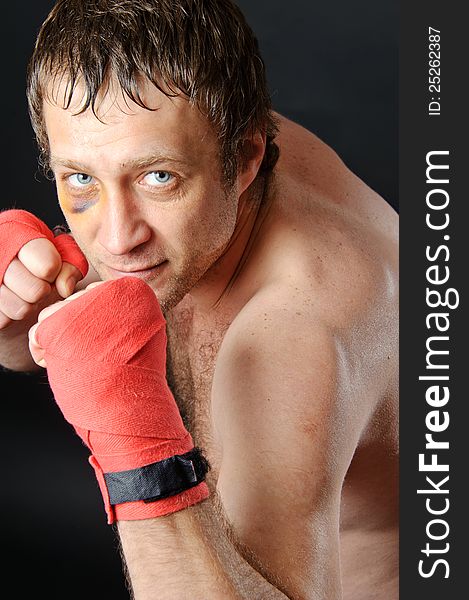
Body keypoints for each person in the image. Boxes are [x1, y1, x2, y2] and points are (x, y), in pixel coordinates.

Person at [0, 1, 399, 598]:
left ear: (243, 158)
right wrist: (15, 313)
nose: (115, 238)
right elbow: (40, 348)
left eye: (157, 178)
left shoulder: (297, 334)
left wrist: (135, 459)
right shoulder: (190, 122)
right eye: (80, 179)